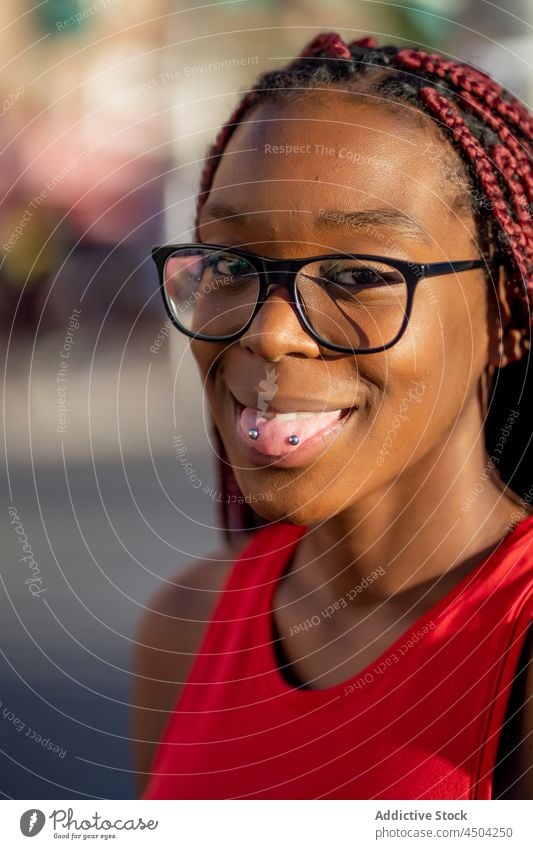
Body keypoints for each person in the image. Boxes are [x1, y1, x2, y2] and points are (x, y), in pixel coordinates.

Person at [132, 32, 532, 800]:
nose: (269, 331)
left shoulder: (512, 643)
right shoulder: (183, 628)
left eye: (356, 274)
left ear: (504, 313)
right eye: (227, 263)